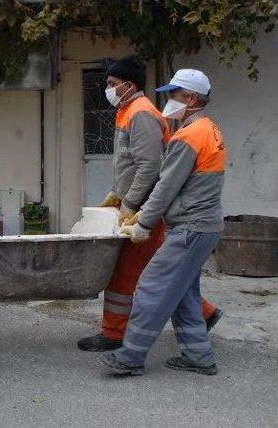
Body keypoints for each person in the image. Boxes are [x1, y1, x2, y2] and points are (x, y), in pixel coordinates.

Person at [77, 56, 221, 352]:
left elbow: (149, 168)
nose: (108, 88)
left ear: (129, 86)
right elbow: (128, 165)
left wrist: (130, 207)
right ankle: (205, 313)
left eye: (113, 84)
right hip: (148, 207)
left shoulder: (141, 113)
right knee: (163, 272)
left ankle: (116, 336)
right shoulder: (128, 110)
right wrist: (116, 193)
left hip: (147, 209)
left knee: (125, 273)